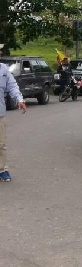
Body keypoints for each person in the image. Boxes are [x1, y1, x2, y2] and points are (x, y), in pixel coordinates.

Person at [0, 44, 27, 182]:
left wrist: (19, 100)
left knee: (1, 144)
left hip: (0, 113)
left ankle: (2, 169)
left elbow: (12, 85)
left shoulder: (4, 69)